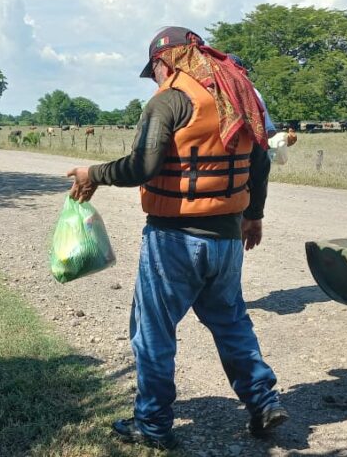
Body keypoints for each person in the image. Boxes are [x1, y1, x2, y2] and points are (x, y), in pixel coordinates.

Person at [66, 27, 286, 450]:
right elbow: (260, 162)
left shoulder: (170, 99)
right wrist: (254, 216)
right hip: (227, 239)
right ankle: (263, 401)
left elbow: (143, 166)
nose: (155, 79)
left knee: (154, 331)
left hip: (175, 240)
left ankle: (151, 424)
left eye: (154, 71)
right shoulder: (239, 94)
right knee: (231, 322)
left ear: (165, 62)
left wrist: (92, 174)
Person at [227, 53, 298, 163]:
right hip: (244, 158)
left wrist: (282, 138)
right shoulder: (253, 93)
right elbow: (268, 131)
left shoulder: (205, 91)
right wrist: (282, 139)